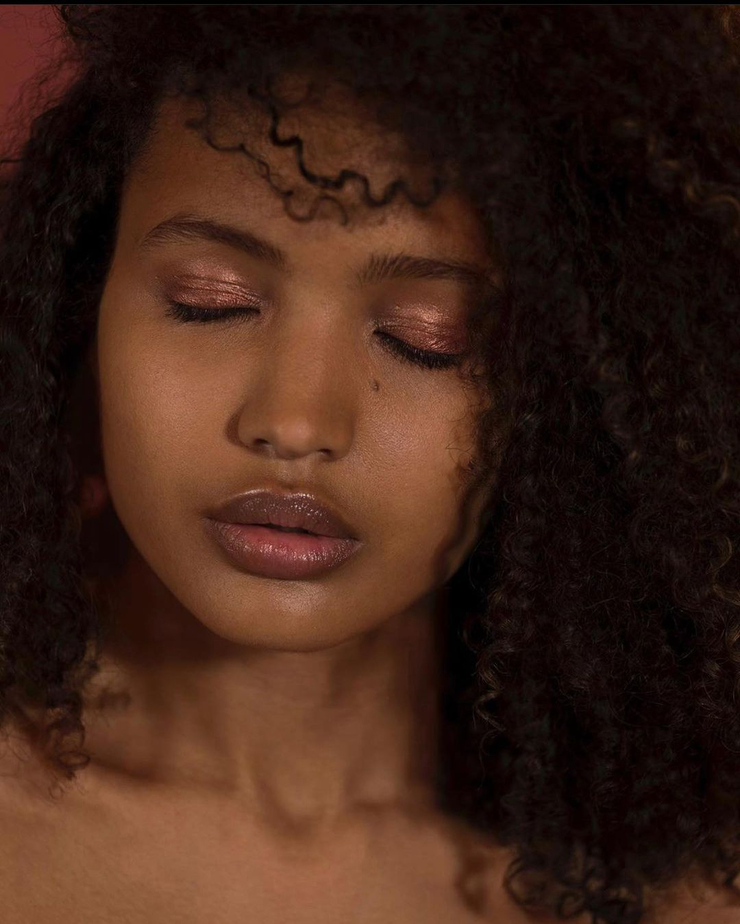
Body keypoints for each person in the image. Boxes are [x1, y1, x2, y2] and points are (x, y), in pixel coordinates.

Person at [0, 6, 738, 923]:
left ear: (571, 402)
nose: (295, 423)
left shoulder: (676, 896)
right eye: (210, 302)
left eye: (426, 340)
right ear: (80, 304)